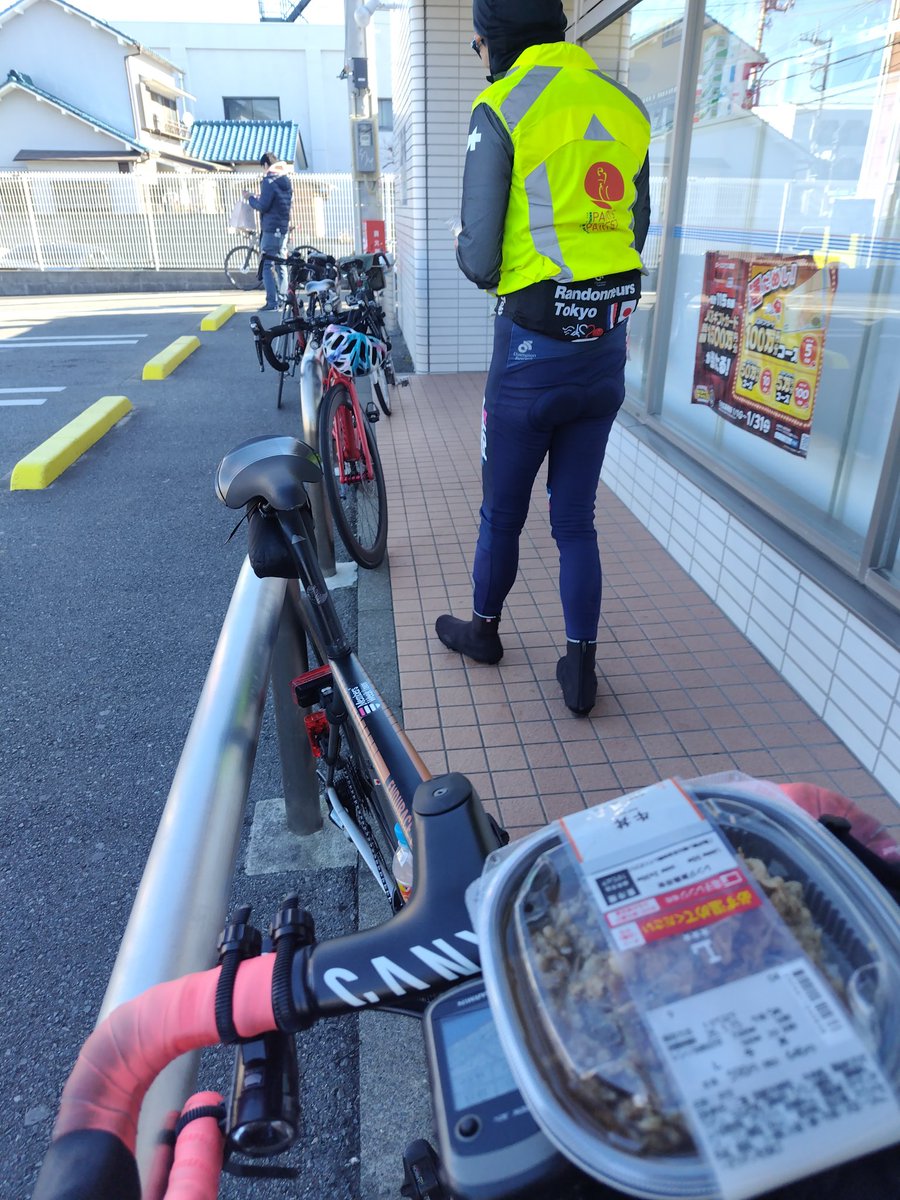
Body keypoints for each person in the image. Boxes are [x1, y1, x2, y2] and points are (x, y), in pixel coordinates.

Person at [434, 0, 651, 716]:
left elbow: (481, 257)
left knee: (502, 513)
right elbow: (633, 230)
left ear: (492, 41)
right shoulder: (626, 107)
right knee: (576, 519)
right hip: (605, 351)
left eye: (475, 43)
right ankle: (581, 669)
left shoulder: (500, 106)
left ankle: (486, 632)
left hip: (530, 354)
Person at [243, 150, 293, 312]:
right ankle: (284, 300)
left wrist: (250, 198)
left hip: (271, 229)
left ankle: (272, 302)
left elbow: (263, 206)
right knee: (281, 264)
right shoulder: (285, 179)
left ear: (265, 165)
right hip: (283, 227)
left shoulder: (269, 181)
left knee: (266, 264)